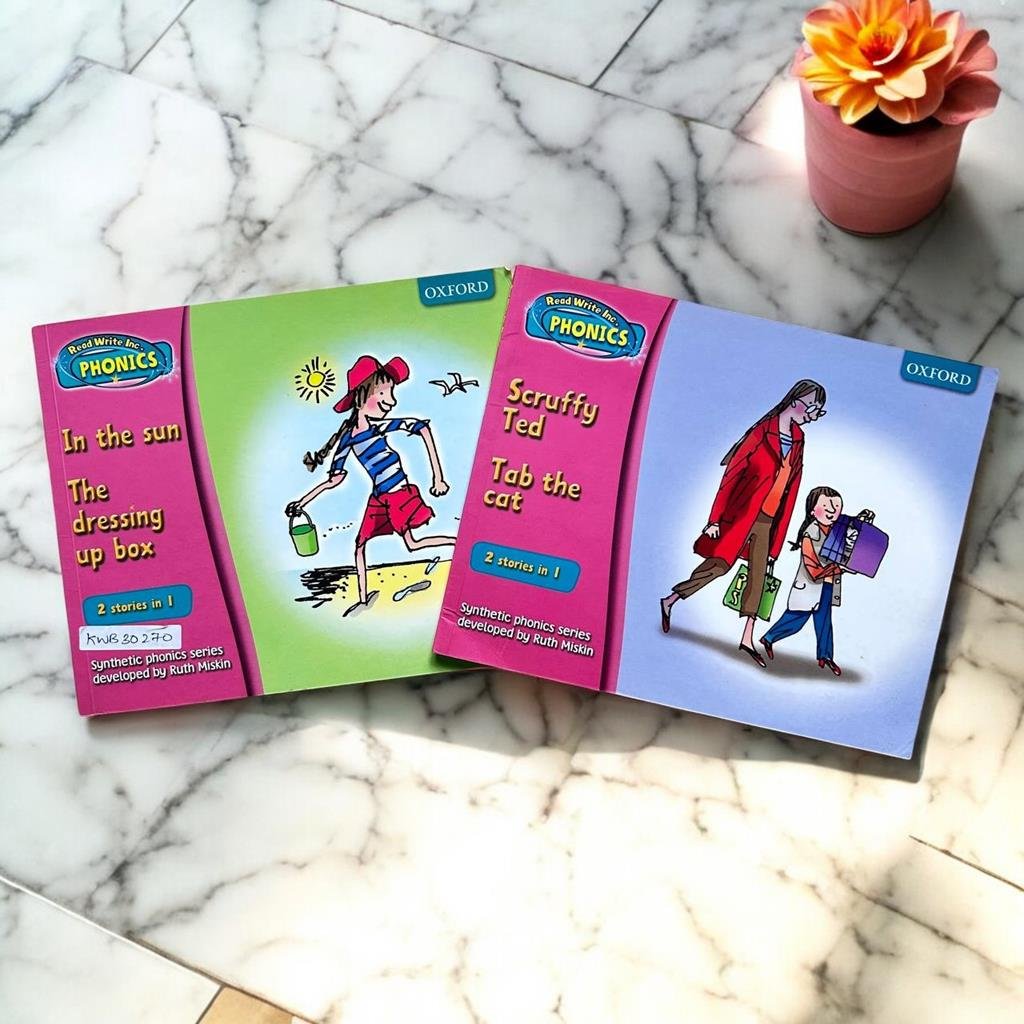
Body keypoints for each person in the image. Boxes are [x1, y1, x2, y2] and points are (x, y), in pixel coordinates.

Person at [659, 379, 827, 667]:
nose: (813, 416)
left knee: (758, 576)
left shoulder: (799, 440)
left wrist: (778, 538)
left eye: (818, 412)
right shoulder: (761, 433)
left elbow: (792, 489)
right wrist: (714, 519)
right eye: (812, 408)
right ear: (795, 401)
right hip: (742, 514)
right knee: (719, 566)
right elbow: (732, 475)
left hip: (768, 520)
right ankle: (672, 599)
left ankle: (747, 638)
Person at [285, 354, 453, 610]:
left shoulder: (379, 427)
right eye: (383, 393)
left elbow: (422, 428)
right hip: (379, 497)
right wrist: (302, 502)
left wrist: (438, 477)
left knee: (412, 544)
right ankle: (363, 600)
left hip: (399, 494)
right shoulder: (348, 439)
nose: (391, 400)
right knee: (360, 545)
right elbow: (334, 479)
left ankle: (458, 545)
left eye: (391, 392)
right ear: (361, 397)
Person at [760, 486, 847, 675]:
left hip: (827, 585)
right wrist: (832, 569)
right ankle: (769, 637)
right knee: (796, 619)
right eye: (826, 506)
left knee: (824, 622)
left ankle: (825, 656)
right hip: (810, 585)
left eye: (836, 507)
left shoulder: (837, 532)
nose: (832, 511)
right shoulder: (810, 533)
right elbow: (811, 566)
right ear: (812, 510)